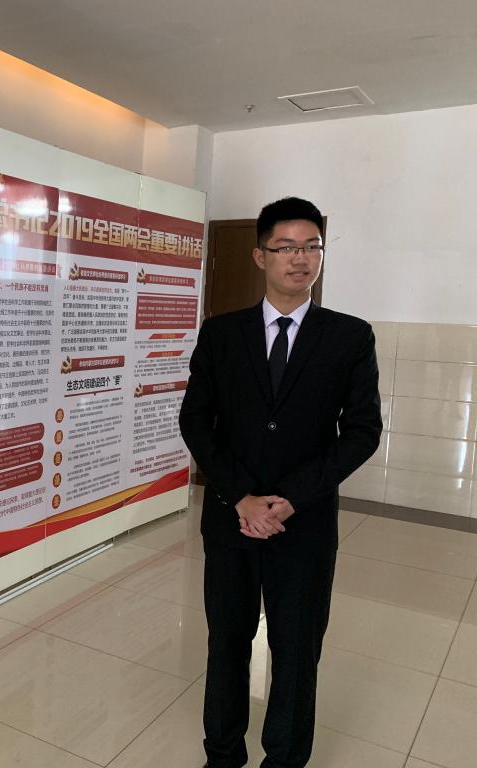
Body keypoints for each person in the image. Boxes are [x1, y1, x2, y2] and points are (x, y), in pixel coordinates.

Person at [179, 197, 381, 768]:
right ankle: (222, 755)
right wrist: (240, 496)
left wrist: (290, 499)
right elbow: (195, 419)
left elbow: (362, 432)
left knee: (296, 650)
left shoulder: (349, 337)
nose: (300, 258)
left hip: (305, 525)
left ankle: (285, 758)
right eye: (286, 246)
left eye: (312, 246)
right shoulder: (221, 334)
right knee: (227, 644)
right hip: (231, 521)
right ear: (260, 255)